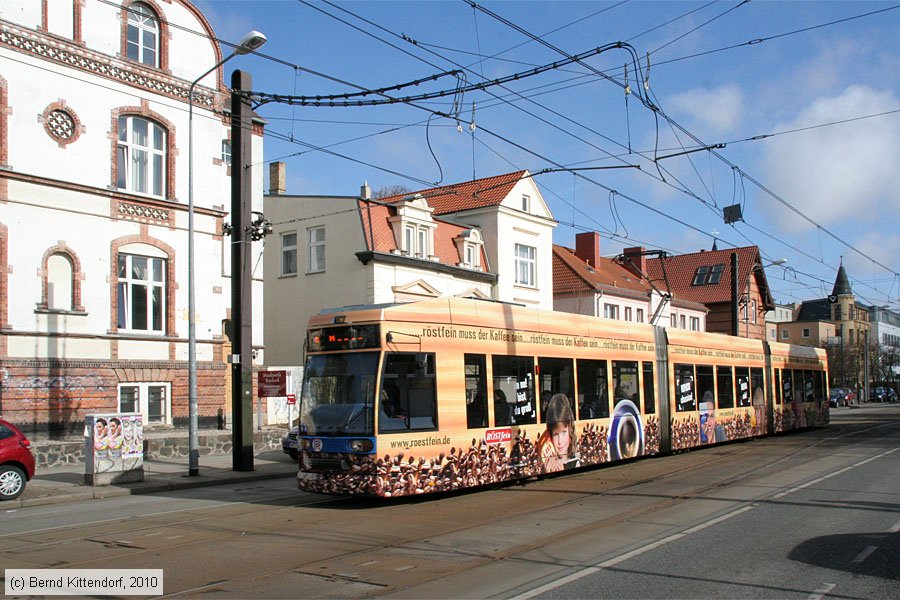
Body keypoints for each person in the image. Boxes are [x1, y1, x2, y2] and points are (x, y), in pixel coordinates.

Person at [536, 393, 578, 473]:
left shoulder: (577, 463)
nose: (560, 441)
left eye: (564, 433)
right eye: (555, 435)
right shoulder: (544, 463)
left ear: (570, 431)